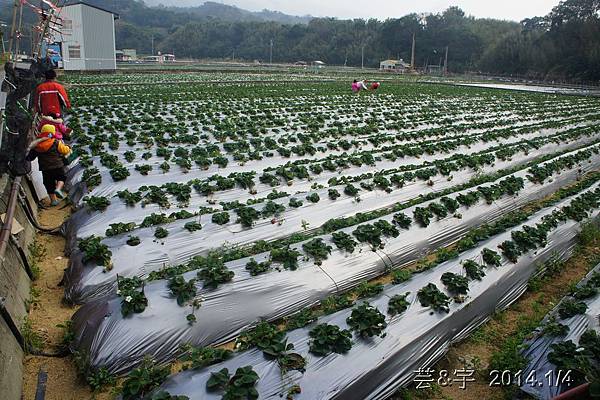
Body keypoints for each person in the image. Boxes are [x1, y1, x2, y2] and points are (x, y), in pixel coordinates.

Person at [27, 124, 72, 206]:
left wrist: (26, 157)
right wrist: (68, 147)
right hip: (57, 165)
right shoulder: (55, 142)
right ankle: (58, 189)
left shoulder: (37, 145)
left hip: (45, 168)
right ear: (52, 133)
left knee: (49, 183)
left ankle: (53, 200)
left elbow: (31, 157)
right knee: (61, 177)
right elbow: (64, 150)